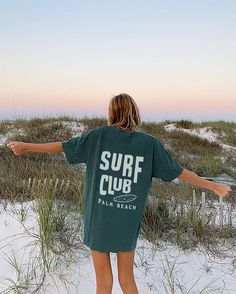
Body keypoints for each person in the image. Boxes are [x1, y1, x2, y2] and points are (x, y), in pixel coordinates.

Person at [7, 93, 232, 294]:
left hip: (99, 220)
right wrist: (212, 186)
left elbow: (63, 146)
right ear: (134, 112)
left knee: (103, 285)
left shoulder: (99, 136)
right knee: (127, 281)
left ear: (112, 113)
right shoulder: (149, 144)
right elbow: (179, 172)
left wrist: (27, 145)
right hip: (127, 220)